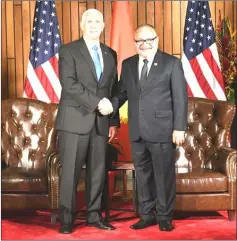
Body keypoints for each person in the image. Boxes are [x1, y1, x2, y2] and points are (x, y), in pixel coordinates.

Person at [111, 24, 188, 231]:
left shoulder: (171, 63)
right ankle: (147, 215)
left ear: (157, 39)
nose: (144, 44)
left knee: (163, 176)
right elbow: (121, 93)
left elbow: (180, 98)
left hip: (163, 129)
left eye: (148, 40)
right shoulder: (128, 65)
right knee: (143, 175)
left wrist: (179, 127)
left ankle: (164, 215)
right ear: (135, 43)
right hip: (137, 131)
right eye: (140, 41)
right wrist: (111, 109)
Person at [55, 9, 119, 234]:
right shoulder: (69, 50)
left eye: (98, 21)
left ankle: (94, 216)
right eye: (89, 21)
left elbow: (113, 88)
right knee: (71, 171)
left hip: (101, 123)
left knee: (97, 172)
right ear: (82, 25)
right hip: (75, 120)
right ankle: (66, 218)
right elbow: (69, 84)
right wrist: (97, 103)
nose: (94, 25)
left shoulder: (110, 53)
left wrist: (113, 121)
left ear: (103, 25)